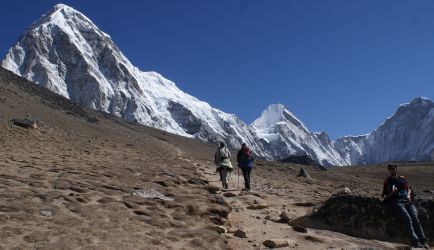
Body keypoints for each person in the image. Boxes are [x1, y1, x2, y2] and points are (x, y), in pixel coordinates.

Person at [382, 164, 429, 249]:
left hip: (407, 201)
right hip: (396, 202)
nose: (392, 170)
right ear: (389, 170)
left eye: (394, 169)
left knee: (415, 218)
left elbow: (409, 189)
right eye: (391, 169)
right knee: (407, 218)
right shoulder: (387, 181)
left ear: (396, 169)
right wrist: (392, 193)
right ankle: (415, 241)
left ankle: (423, 241)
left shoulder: (402, 178)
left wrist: (408, 195)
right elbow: (385, 196)